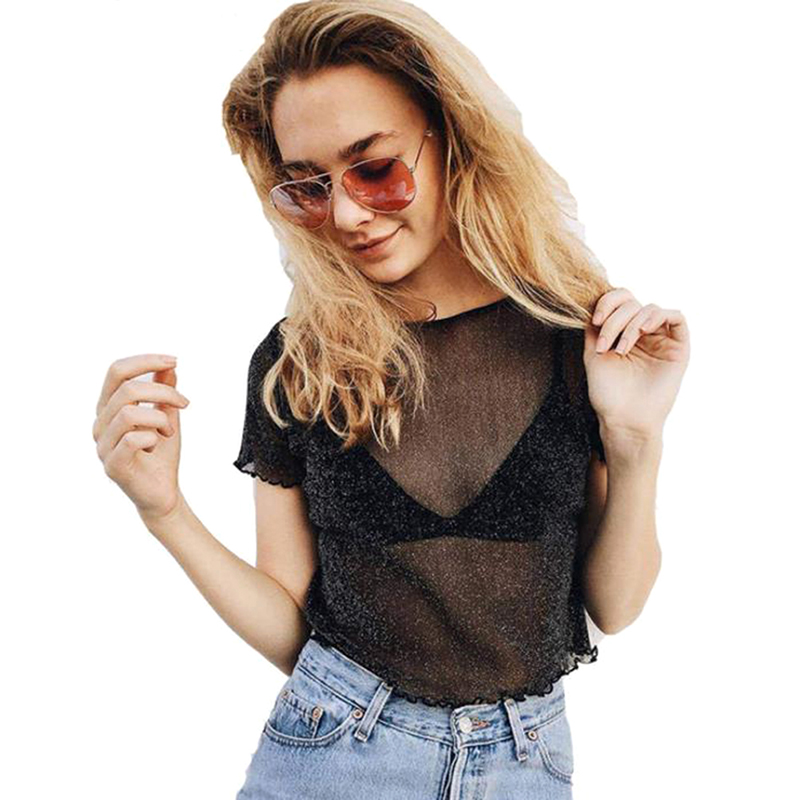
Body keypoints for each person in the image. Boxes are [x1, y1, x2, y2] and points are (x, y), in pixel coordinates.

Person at [92, 1, 689, 797]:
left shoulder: (573, 339)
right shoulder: (301, 363)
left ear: (451, 135)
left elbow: (615, 606)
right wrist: (164, 509)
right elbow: (290, 628)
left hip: (526, 767)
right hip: (335, 755)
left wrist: (636, 440)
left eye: (373, 168)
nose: (346, 215)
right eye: (309, 187)